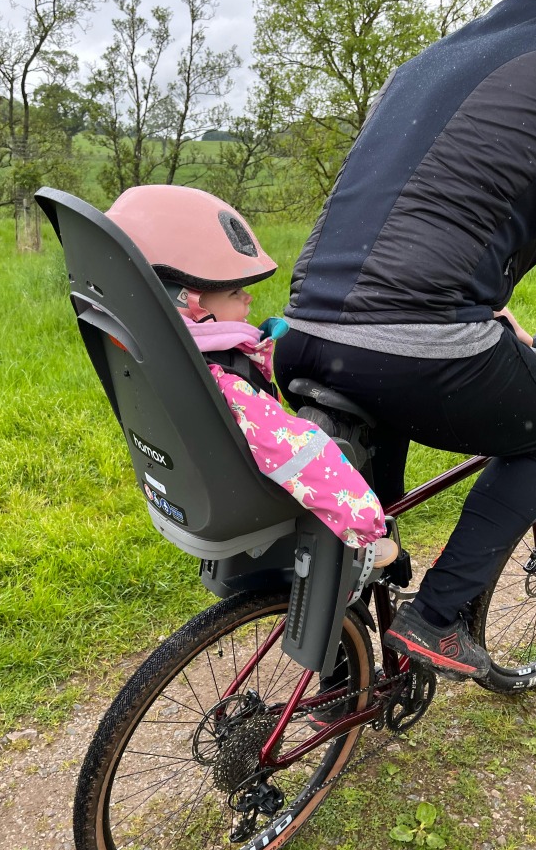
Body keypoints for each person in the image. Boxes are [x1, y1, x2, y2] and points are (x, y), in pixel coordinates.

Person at [273, 0, 536, 680]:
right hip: (414, 346)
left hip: (302, 329)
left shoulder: (427, 61)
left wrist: (483, 299)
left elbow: (415, 205)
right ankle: (435, 621)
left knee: (372, 520)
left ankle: (347, 676)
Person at [105, 184, 398, 568]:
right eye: (234, 293)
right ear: (192, 306)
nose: (249, 299)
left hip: (187, 490)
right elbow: (297, 451)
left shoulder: (171, 361)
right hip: (251, 497)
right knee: (329, 445)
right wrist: (367, 531)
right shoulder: (227, 380)